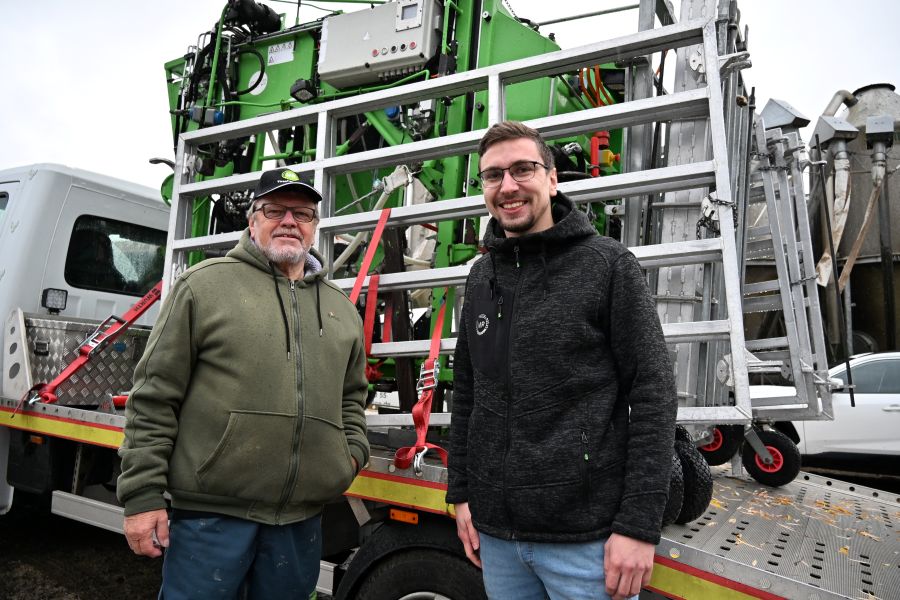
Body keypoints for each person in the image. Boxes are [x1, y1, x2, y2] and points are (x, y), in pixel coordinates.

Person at [447, 121, 677, 600]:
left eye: (522, 169)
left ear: (552, 179)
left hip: (586, 543)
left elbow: (653, 394)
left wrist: (638, 524)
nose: (508, 186)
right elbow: (468, 390)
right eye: (493, 176)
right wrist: (463, 493)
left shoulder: (608, 266)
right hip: (498, 540)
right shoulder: (480, 276)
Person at [117, 168, 370, 599]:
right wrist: (142, 497)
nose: (290, 221)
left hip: (301, 522)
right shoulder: (204, 286)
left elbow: (352, 398)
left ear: (314, 228)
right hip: (211, 519)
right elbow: (155, 397)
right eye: (275, 210)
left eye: (303, 214)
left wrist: (349, 457)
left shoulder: (340, 309)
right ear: (253, 220)